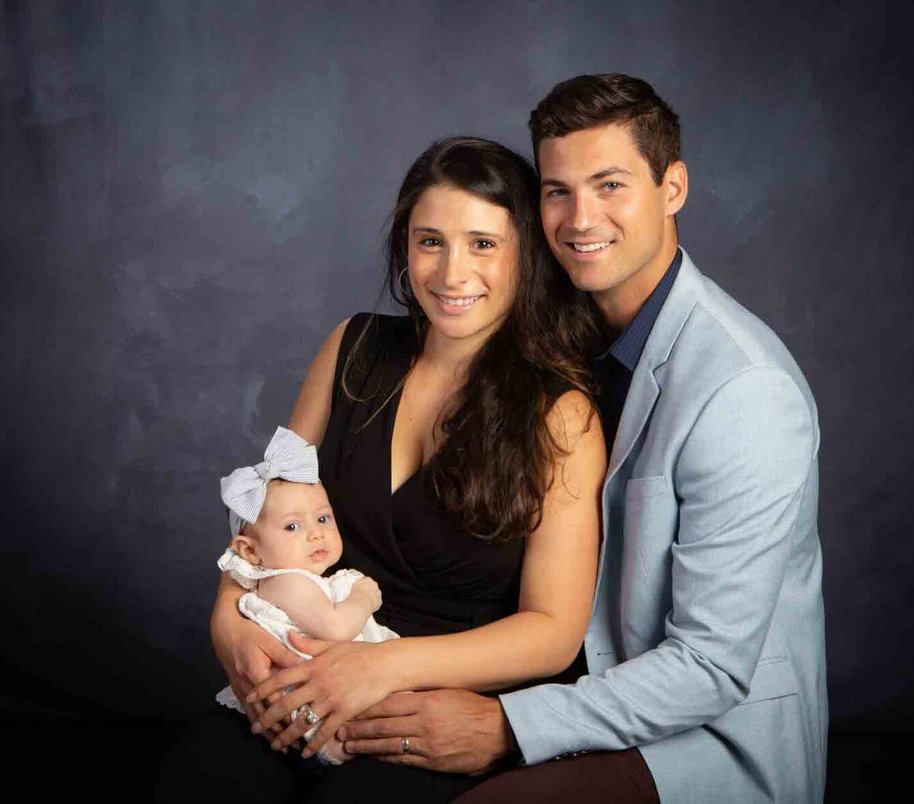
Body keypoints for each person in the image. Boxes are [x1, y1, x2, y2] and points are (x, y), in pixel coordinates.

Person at [337, 74, 828, 803]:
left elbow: (711, 668)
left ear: (673, 188)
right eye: (557, 191)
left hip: (699, 737)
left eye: (610, 186)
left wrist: (507, 725)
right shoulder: (551, 326)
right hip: (571, 688)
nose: (579, 218)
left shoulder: (744, 390)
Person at [156, 136, 606, 803]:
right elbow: (266, 510)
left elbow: (554, 633)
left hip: (431, 707)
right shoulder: (353, 348)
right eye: (431, 242)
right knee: (197, 780)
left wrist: (381, 667)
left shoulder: (561, 416)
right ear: (405, 247)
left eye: (483, 244)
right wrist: (227, 616)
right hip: (304, 677)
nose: (452, 273)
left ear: (526, 256)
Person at [213, 425, 398, 765]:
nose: (316, 534)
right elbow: (336, 628)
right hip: (314, 706)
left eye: (323, 518)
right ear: (250, 551)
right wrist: (365, 596)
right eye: (292, 526)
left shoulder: (301, 579)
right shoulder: (286, 582)